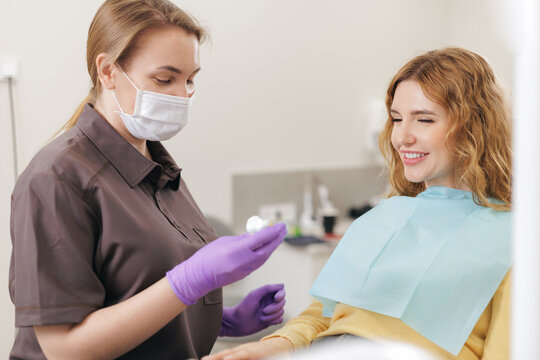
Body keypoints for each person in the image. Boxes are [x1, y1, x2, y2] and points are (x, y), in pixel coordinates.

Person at [8, 0, 288, 359]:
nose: (182, 95)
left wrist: (222, 320)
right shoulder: (56, 180)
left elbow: (133, 290)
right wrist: (193, 279)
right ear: (108, 71)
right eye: (164, 78)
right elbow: (65, 350)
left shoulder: (157, 166)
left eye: (190, 80)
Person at [204, 47, 512, 360]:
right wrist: (269, 346)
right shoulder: (384, 219)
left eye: (424, 119)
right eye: (395, 118)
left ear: (475, 127)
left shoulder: (512, 238)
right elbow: (320, 317)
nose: (401, 137)